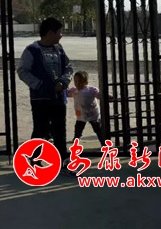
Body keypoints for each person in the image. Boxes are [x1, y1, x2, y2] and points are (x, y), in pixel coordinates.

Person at [17, 17, 73, 170]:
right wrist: (40, 85)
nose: (61, 35)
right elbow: (23, 71)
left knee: (60, 130)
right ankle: (34, 160)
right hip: (40, 98)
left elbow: (68, 68)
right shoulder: (32, 50)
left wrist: (63, 82)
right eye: (59, 32)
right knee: (40, 129)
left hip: (58, 97)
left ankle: (63, 160)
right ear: (50, 33)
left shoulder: (59, 49)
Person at [67, 71, 106, 147]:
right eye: (76, 81)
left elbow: (98, 95)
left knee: (98, 129)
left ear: (86, 82)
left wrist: (106, 96)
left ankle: (103, 142)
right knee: (78, 128)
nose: (77, 84)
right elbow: (66, 93)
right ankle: (76, 139)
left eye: (80, 82)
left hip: (92, 113)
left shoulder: (91, 90)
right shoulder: (74, 90)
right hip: (80, 113)